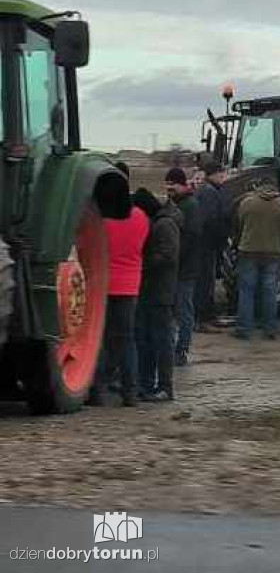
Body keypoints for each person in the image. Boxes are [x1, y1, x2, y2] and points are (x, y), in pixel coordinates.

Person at [90, 198, 149, 406]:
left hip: (102, 284)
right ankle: (130, 392)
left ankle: (96, 390)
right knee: (127, 340)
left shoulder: (101, 219)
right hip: (130, 285)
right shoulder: (141, 217)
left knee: (98, 338)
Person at [134, 189, 182, 402]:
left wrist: (142, 264)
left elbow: (168, 256)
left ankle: (164, 386)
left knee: (162, 341)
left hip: (161, 292)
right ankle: (147, 383)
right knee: (148, 340)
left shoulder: (164, 225)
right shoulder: (161, 222)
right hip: (153, 291)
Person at [235, 178, 280, 339]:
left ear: (259, 187)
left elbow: (240, 224)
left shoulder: (247, 203)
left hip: (248, 252)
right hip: (274, 253)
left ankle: (244, 329)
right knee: (269, 292)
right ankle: (269, 329)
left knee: (247, 291)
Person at [165, 168, 202, 366]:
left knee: (183, 311)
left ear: (182, 184)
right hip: (174, 268)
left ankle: (182, 349)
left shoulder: (190, 206)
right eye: (167, 184)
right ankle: (170, 348)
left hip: (185, 269)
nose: (169, 187)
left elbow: (191, 237)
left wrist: (176, 256)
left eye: (173, 184)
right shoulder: (175, 204)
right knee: (171, 311)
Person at [194, 159, 227, 330]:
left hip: (208, 245)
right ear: (213, 175)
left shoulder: (212, 191)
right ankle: (201, 319)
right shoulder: (209, 193)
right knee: (204, 282)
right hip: (206, 245)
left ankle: (209, 315)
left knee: (208, 282)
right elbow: (211, 220)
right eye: (221, 173)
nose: (224, 176)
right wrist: (221, 237)